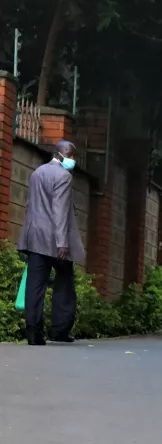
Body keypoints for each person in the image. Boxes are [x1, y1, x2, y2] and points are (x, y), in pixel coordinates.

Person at [17, 141, 85, 345]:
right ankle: (60, 330)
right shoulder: (64, 176)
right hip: (55, 240)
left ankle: (33, 333)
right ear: (66, 154)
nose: (73, 161)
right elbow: (60, 210)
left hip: (34, 237)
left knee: (35, 286)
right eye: (73, 156)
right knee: (64, 282)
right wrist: (62, 243)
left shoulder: (37, 172)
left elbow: (31, 205)